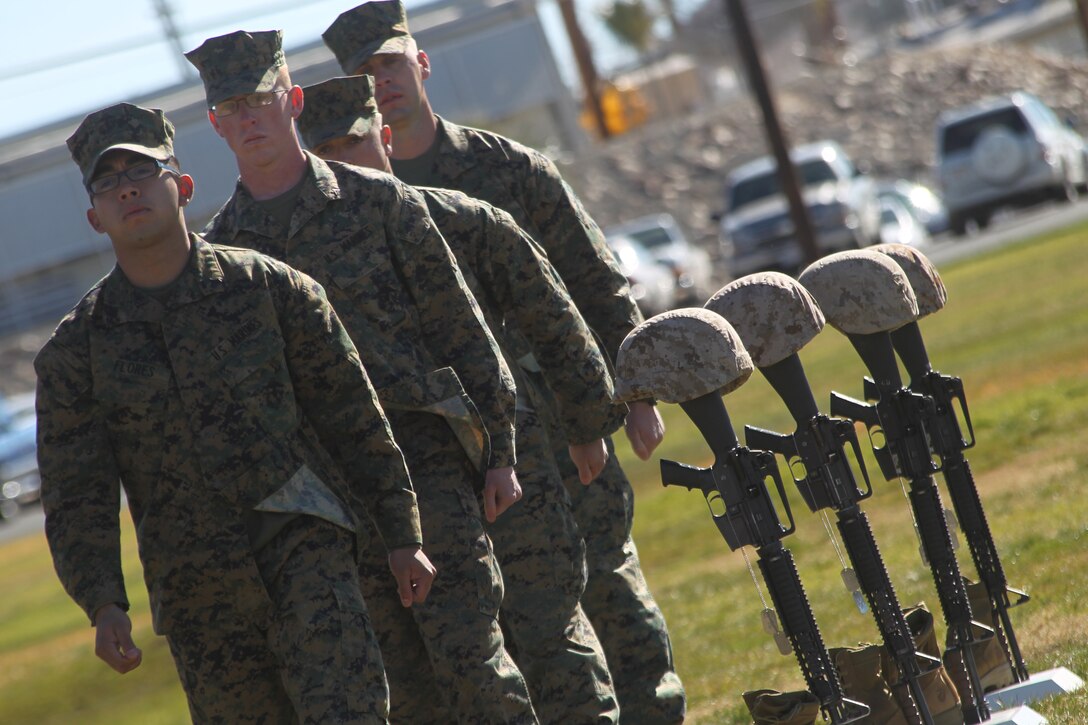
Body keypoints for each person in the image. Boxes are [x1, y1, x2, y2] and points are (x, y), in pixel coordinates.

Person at [323, 3, 686, 721]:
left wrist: (634, 394)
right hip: (457, 453)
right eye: (364, 73)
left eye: (391, 63)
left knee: (604, 580)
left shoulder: (502, 170)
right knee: (512, 619)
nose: (382, 81)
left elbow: (593, 279)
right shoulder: (346, 203)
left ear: (421, 64)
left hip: (556, 416)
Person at [37, 102, 435, 724]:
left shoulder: (274, 290)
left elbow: (354, 418)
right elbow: (76, 493)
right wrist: (104, 603)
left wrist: (403, 534)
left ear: (184, 187)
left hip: (309, 557)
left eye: (142, 172)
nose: (128, 190)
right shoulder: (75, 353)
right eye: (108, 183)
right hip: (200, 601)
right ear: (94, 217)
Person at [185, 30, 538, 724]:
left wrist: (499, 449)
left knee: (474, 665)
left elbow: (461, 329)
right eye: (233, 106)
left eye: (261, 98)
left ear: (291, 100)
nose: (250, 117)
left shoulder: (380, 203)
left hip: (427, 464)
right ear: (215, 125)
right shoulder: (223, 259)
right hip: (327, 501)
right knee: (400, 693)